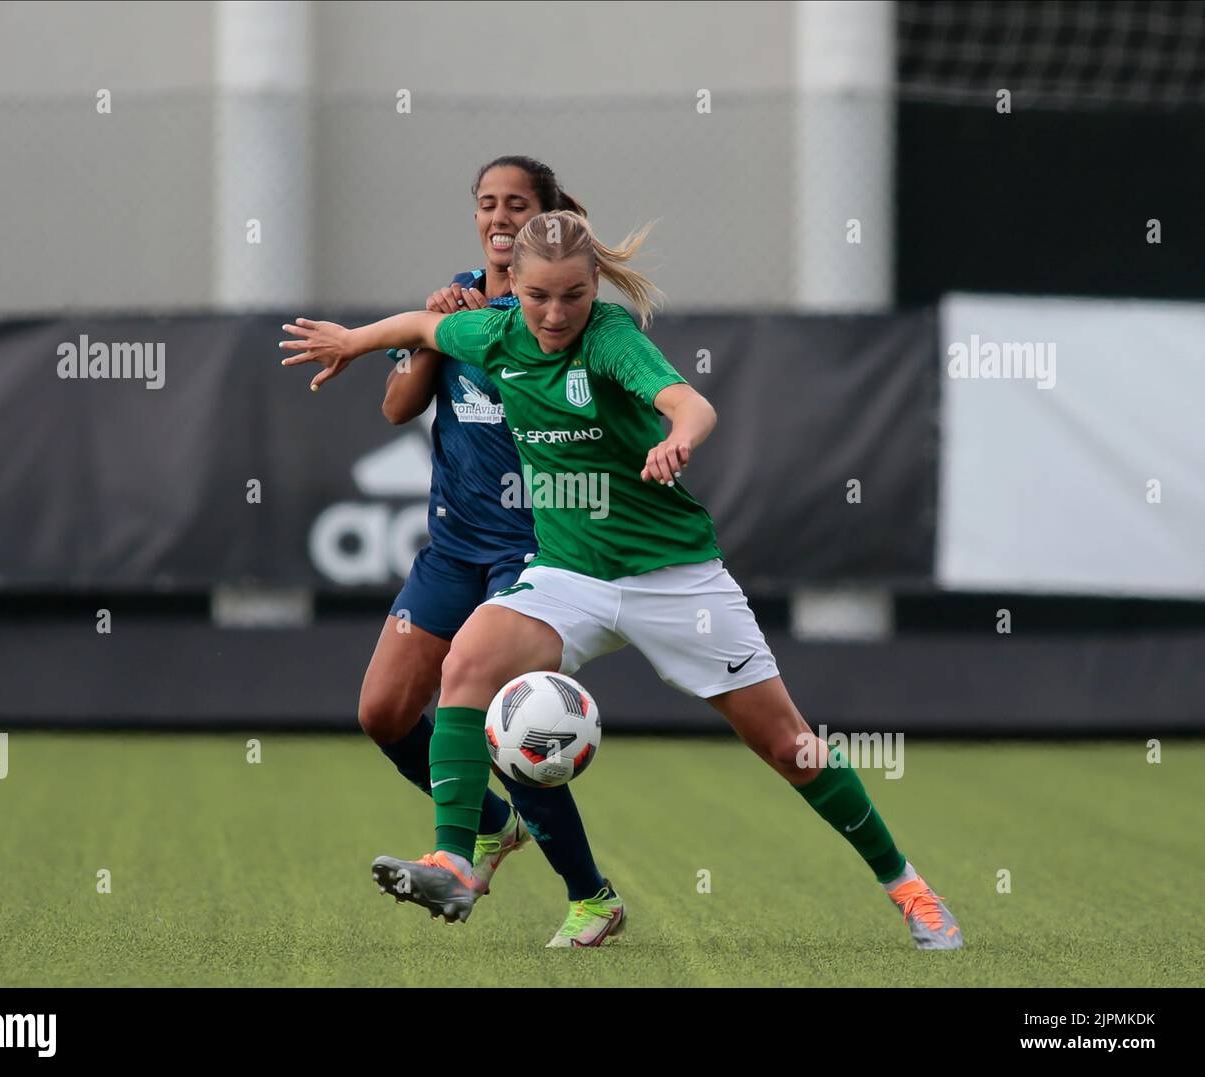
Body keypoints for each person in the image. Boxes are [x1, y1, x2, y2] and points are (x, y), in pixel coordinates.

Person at [280, 210, 964, 950]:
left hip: (675, 580)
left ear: (594, 283)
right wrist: (351, 341)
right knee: (467, 660)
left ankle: (908, 886)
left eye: (571, 295)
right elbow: (421, 327)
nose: (553, 312)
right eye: (538, 295)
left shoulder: (610, 339)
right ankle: (454, 857)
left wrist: (678, 438)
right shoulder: (498, 334)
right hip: (569, 574)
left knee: (789, 745)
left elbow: (690, 403)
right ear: (519, 287)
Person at [338, 158, 624, 948]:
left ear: (546, 214)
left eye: (517, 204)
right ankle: (494, 826)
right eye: (487, 204)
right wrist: (438, 332)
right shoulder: (456, 299)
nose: (499, 217)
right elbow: (398, 405)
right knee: (384, 712)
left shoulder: (561, 308)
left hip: (532, 554)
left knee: (513, 728)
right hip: (453, 547)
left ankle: (588, 895)